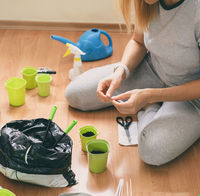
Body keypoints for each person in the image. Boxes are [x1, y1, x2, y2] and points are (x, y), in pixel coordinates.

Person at [65, 0, 200, 166]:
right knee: (75, 93)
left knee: (153, 149)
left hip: (192, 96)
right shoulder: (149, 3)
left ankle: (150, 107)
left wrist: (148, 97)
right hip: (154, 69)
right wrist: (121, 72)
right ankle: (152, 103)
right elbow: (138, 41)